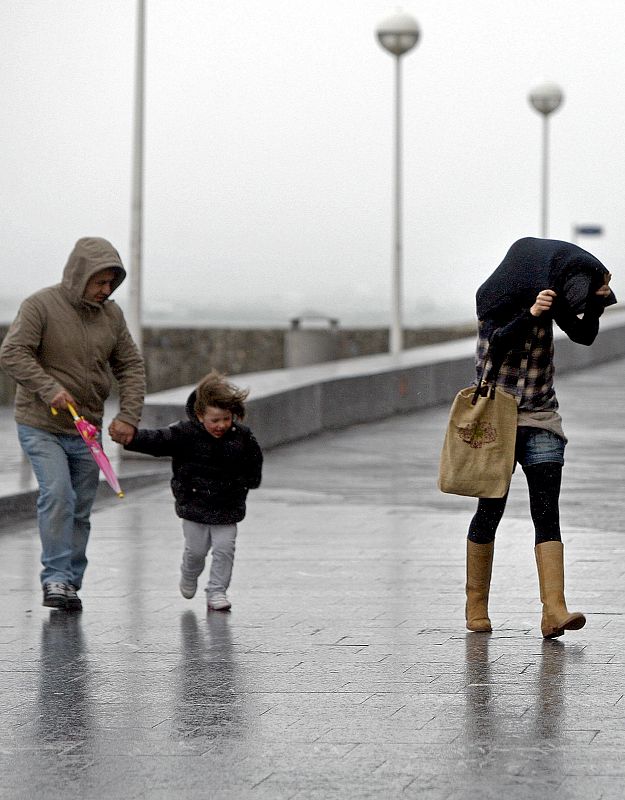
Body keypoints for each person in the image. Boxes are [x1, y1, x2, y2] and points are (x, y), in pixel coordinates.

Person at [465, 237, 616, 638]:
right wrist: (531, 314)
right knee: (490, 511)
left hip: (541, 416)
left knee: (547, 511)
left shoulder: (551, 301)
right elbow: (497, 347)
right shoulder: (494, 303)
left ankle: (554, 611)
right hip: (496, 421)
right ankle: (476, 604)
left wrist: (595, 303)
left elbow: (583, 335)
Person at [0, 237, 145, 612]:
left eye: (112, 282)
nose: (106, 290)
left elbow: (130, 366)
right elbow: (12, 352)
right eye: (100, 281)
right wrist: (49, 389)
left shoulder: (112, 316)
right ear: (80, 274)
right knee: (58, 495)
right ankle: (55, 578)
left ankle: (69, 582)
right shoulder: (40, 305)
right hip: (40, 423)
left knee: (80, 507)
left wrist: (129, 415)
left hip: (87, 430)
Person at [119, 370, 263, 611]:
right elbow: (158, 440)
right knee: (196, 551)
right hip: (194, 504)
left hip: (227, 505)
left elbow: (254, 461)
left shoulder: (242, 437)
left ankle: (217, 590)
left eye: (226, 419)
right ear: (200, 415)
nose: (221, 425)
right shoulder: (184, 434)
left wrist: (248, 481)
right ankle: (189, 573)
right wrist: (131, 438)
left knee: (225, 549)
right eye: (214, 420)